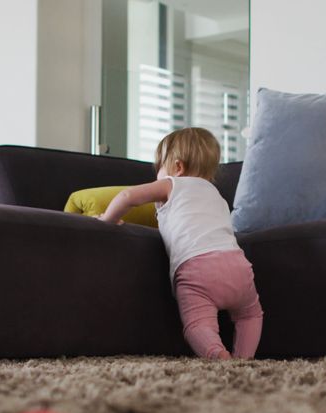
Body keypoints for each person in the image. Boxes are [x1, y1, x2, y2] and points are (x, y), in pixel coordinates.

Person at [96, 127, 263, 359]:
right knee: (250, 315)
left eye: (159, 168)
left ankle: (219, 356)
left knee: (197, 325)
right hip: (238, 266)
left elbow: (127, 197)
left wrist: (107, 219)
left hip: (198, 269)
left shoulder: (171, 184)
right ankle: (244, 359)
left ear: (177, 167)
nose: (157, 175)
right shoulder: (217, 195)